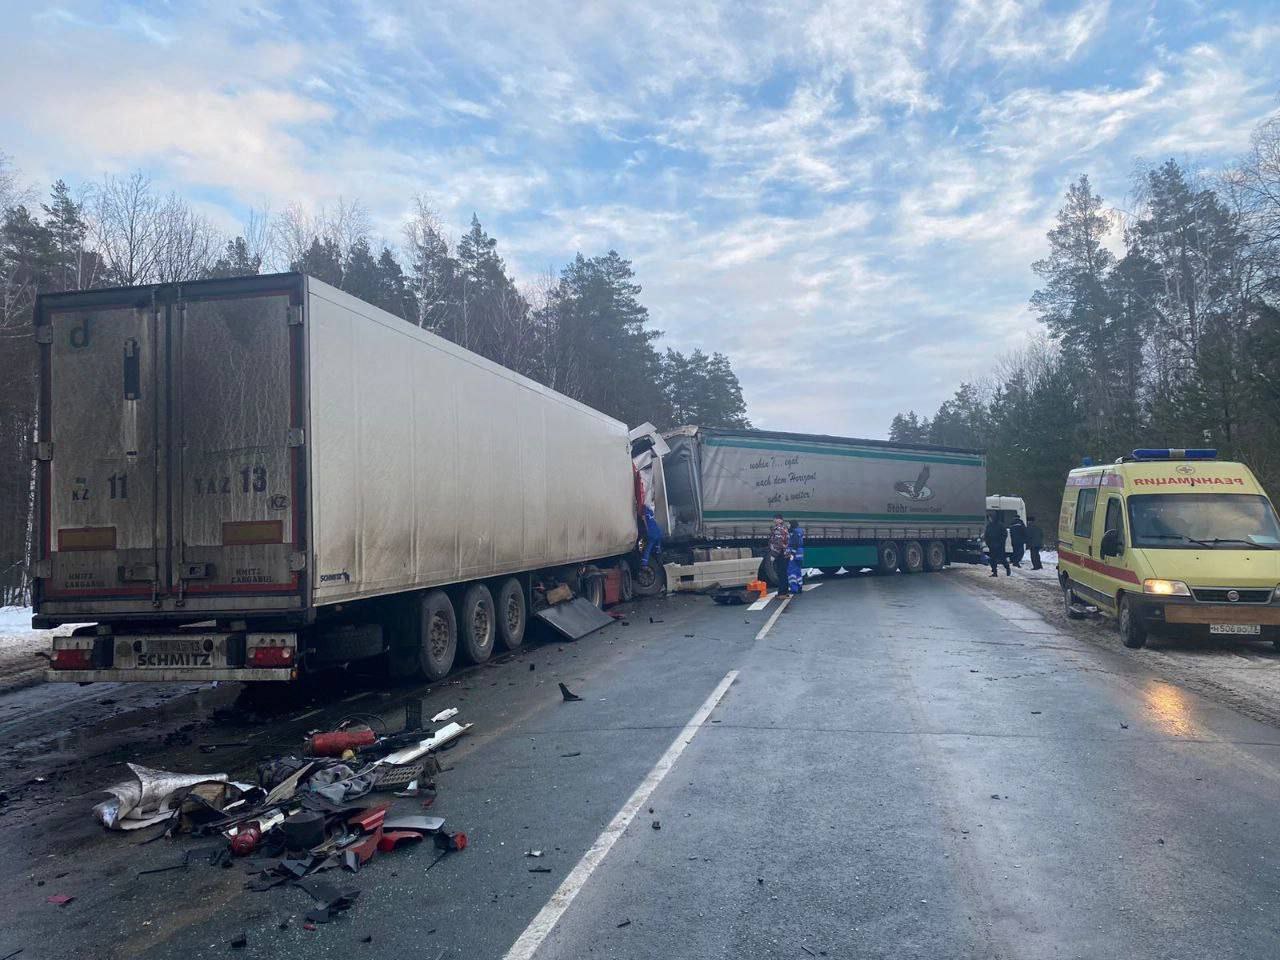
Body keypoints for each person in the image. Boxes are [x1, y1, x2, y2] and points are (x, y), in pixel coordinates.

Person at [768, 512, 790, 594]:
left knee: (781, 574)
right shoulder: (784, 528)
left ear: (779, 520)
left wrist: (773, 555)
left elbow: (778, 543)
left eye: (775, 519)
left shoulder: (778, 529)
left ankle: (782, 593)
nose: (774, 520)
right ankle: (784, 591)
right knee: (784, 574)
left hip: (781, 554)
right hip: (785, 553)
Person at [984, 512, 1011, 577]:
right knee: (992, 560)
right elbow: (986, 535)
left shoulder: (1000, 525)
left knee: (1002, 559)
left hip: (1000, 546)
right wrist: (988, 543)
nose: (989, 519)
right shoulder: (989, 526)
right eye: (989, 518)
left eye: (990, 518)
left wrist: (1000, 542)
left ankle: (1007, 568)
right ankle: (994, 572)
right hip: (992, 545)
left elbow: (1004, 535)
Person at [787, 520, 806, 597]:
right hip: (799, 554)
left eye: (789, 524)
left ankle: (794, 589)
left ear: (792, 525)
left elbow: (795, 543)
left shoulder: (794, 532)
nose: (788, 526)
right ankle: (800, 587)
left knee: (791, 572)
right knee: (798, 571)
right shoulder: (799, 532)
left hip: (794, 554)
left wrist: (792, 553)